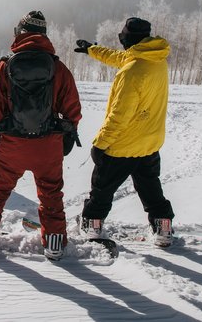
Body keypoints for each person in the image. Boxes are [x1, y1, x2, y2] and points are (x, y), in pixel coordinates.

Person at [0, 11, 82, 260]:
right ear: (43, 35)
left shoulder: (6, 66)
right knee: (51, 193)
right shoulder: (58, 68)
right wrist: (69, 132)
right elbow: (72, 107)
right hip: (48, 145)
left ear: (19, 33)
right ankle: (54, 243)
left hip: (13, 145)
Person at [74, 16, 175, 247]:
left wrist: (100, 143)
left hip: (123, 145)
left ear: (130, 38)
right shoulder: (155, 59)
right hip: (149, 143)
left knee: (102, 188)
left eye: (124, 35)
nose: (121, 39)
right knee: (151, 189)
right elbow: (122, 58)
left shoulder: (131, 73)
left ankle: (92, 225)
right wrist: (93, 49)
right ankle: (163, 227)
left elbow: (119, 115)